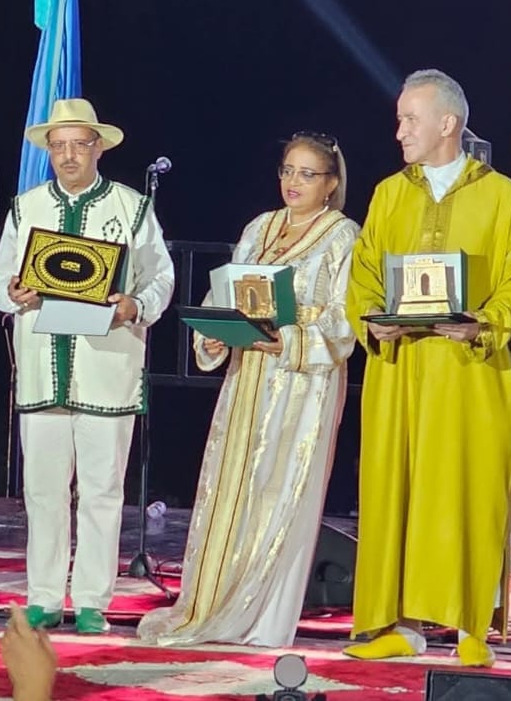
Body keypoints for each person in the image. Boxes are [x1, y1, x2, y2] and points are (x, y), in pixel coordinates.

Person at [342, 69, 511, 666]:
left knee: (467, 495)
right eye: (400, 119)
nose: (399, 131)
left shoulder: (500, 195)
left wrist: (482, 325)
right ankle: (401, 626)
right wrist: (373, 323)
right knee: (396, 493)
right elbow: (364, 274)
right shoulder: (388, 194)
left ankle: (472, 627)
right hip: (401, 370)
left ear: (447, 123)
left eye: (410, 119)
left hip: (468, 372)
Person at [139, 132, 359, 647]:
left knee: (280, 488)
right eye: (288, 170)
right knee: (233, 485)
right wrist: (216, 332)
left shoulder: (343, 236)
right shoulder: (260, 226)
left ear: (331, 183)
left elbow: (344, 320)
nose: (293, 182)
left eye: (307, 174)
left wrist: (289, 339)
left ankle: (262, 615)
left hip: (301, 383)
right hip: (247, 377)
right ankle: (214, 598)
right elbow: (227, 293)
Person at [0, 98, 175, 634]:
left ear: (97, 148)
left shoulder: (132, 207)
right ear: (48, 151)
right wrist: (11, 292)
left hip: (106, 367)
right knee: (42, 490)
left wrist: (136, 305)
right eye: (59, 146)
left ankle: (92, 599)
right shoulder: (26, 208)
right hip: (42, 369)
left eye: (78, 145)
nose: (68, 155)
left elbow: (160, 276)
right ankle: (44, 595)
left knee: (101, 490)